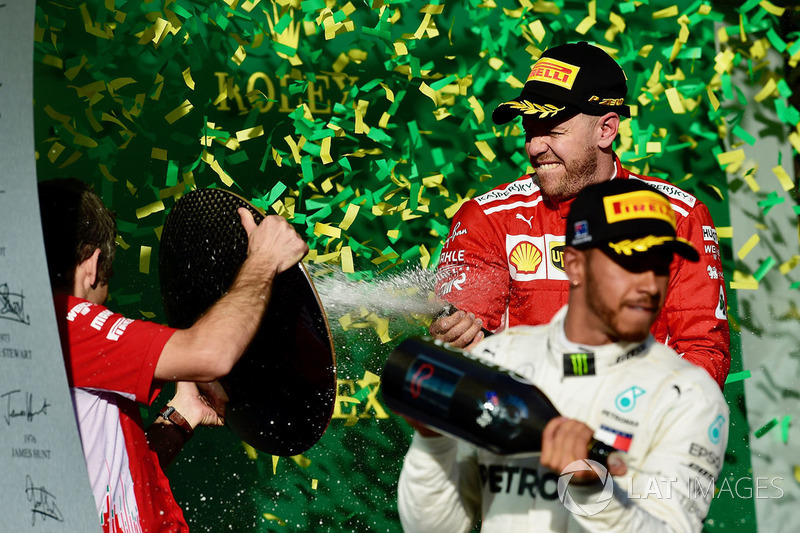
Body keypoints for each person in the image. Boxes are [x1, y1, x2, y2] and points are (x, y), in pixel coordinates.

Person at [398, 179, 729, 532]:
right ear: (574, 265)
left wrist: (590, 490)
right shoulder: (498, 359)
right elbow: (431, 528)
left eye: (660, 264)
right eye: (629, 261)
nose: (649, 284)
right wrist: (433, 443)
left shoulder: (691, 396)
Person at [431, 41, 730, 389]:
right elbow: (468, 332)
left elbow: (702, 353)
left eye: (553, 131)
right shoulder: (487, 217)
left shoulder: (679, 217)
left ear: (606, 129)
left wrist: (625, 424)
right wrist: (458, 338)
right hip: (520, 434)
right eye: (530, 130)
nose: (535, 147)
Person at [38, 178, 308, 532]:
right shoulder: (64, 323)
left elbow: (111, 472)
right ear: (93, 263)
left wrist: (182, 416)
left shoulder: (30, 344)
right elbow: (212, 355)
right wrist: (264, 258)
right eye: (109, 277)